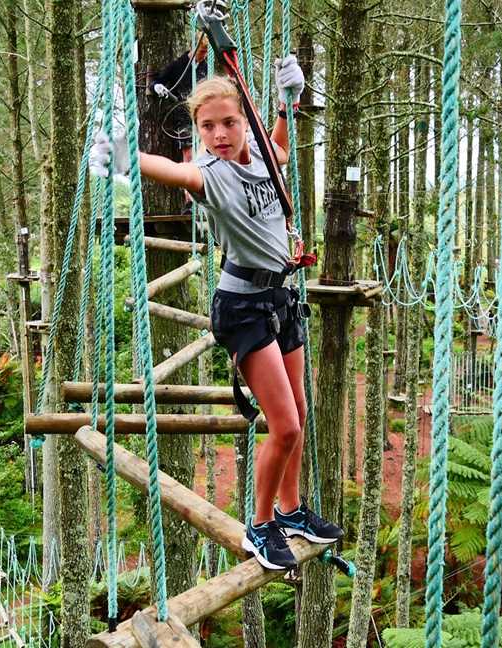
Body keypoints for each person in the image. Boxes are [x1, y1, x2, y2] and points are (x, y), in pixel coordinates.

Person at [89, 56, 343, 572]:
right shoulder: (210, 174)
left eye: (229, 122)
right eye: (208, 127)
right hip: (243, 305)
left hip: (280, 298)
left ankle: (291, 511)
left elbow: (278, 148)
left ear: (242, 122)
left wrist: (285, 103)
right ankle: (260, 524)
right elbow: (172, 169)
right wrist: (118, 155)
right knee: (286, 426)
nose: (220, 134)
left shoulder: (264, 156)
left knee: (298, 407)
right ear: (199, 132)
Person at [149, 35, 210, 211]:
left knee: (205, 155)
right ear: (194, 48)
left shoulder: (207, 67)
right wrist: (157, 88)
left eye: (206, 52)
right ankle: (190, 200)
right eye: (201, 51)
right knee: (189, 155)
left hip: (202, 116)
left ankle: (206, 197)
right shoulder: (178, 65)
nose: (204, 55)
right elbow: (157, 81)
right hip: (182, 116)